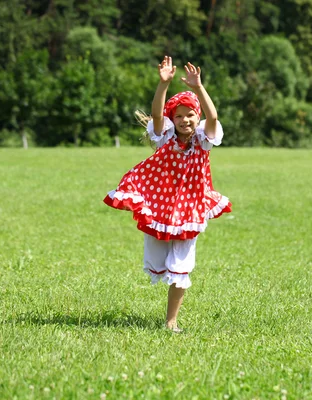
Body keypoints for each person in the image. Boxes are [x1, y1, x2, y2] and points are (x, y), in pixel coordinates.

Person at [103, 56, 231, 333]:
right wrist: (163, 85)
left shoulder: (203, 139)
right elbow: (157, 115)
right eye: (179, 116)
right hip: (160, 204)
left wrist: (199, 88)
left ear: (197, 118)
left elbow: (214, 116)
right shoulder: (166, 136)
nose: (185, 120)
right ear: (174, 120)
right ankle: (166, 300)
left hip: (190, 206)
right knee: (157, 260)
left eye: (190, 115)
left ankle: (171, 321)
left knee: (181, 266)